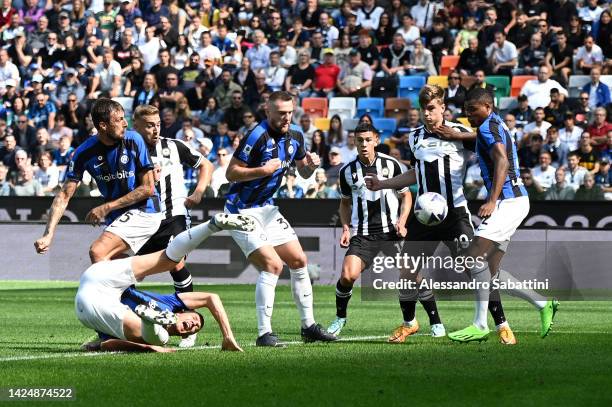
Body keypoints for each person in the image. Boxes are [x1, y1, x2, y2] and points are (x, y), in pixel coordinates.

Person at [366, 84, 522, 344]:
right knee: (407, 268)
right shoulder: (414, 137)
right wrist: (382, 184)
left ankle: (502, 325)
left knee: (475, 268)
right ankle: (409, 323)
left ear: (443, 108)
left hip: (454, 214)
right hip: (424, 215)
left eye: (431, 109)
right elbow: (416, 173)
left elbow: (494, 154)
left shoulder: (461, 133)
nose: (426, 114)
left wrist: (494, 196)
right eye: (422, 109)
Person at [224, 90, 337, 347]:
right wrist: (262, 170)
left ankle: (308, 326)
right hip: (241, 210)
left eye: (289, 112)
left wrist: (311, 165)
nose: (286, 118)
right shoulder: (256, 135)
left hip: (267, 207)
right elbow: (231, 173)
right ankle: (264, 334)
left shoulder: (296, 135)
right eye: (280, 113)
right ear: (268, 111)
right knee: (273, 265)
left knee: (299, 260)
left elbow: (304, 173)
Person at [448, 88, 557, 343]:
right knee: (491, 272)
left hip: (508, 202)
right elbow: (475, 138)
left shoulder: (488, 128)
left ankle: (479, 324)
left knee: (471, 258)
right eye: (466, 113)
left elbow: (502, 162)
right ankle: (543, 304)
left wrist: (492, 200)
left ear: (487, 106)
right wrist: (452, 133)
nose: (469, 117)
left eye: (472, 112)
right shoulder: (494, 125)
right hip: (516, 201)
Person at [77, 213, 254, 353]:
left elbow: (107, 344)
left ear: (185, 335)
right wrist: (228, 336)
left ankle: (150, 323)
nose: (192, 325)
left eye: (193, 330)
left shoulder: (164, 332)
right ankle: (214, 224)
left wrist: (146, 347)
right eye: (194, 319)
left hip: (93, 305)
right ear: (183, 312)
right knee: (169, 259)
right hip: (102, 279)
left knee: (160, 338)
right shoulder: (171, 303)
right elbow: (211, 298)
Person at [34, 99, 160, 263]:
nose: (125, 124)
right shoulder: (83, 152)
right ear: (103, 125)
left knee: (98, 252)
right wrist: (48, 234)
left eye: (124, 118)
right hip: (117, 216)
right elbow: (64, 195)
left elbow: (148, 189)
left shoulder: (134, 140)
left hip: (145, 210)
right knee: (111, 270)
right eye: (119, 120)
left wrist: (106, 207)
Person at [132, 105, 213, 348]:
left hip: (175, 216)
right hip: (144, 219)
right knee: (126, 271)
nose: (155, 129)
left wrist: (198, 192)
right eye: (149, 125)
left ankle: (189, 323)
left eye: (157, 123)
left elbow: (206, 165)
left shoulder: (174, 146)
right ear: (135, 126)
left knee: (175, 260)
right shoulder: (127, 150)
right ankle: (123, 320)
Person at [326, 122, 411, 337]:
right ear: (354, 142)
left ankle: (425, 322)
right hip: (363, 233)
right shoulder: (347, 172)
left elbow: (406, 196)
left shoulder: (392, 165)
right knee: (347, 275)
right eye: (359, 140)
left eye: (368, 140)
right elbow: (344, 204)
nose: (364, 144)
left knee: (411, 274)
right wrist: (346, 228)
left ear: (376, 140)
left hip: (391, 231)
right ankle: (340, 318)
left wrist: (402, 221)